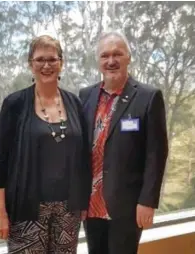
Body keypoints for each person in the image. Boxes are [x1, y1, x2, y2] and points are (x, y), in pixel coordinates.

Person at [0, 35, 91, 253]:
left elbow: (84, 157)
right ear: (31, 64)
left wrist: (82, 200)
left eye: (52, 59)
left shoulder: (74, 103)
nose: (46, 65)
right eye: (40, 60)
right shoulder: (14, 104)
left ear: (61, 63)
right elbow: (0, 162)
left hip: (68, 210)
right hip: (26, 209)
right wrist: (0, 212)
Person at [79, 31, 168, 254]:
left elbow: (156, 154)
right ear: (98, 61)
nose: (111, 61)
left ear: (128, 57)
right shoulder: (85, 95)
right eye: (105, 55)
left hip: (126, 206)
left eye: (117, 54)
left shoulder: (148, 96)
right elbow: (79, 150)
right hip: (91, 204)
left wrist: (147, 201)